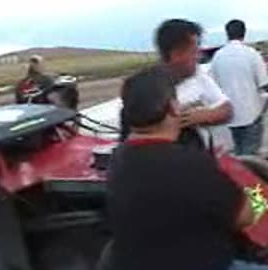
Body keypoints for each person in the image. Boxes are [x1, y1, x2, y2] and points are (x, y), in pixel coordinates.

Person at [105, 67, 258, 270]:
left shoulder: (118, 158)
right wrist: (256, 196)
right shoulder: (191, 164)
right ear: (174, 108)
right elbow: (246, 217)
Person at [120, 19, 234, 151]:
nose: (199, 56)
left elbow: (227, 109)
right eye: (194, 51)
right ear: (176, 54)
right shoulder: (144, 88)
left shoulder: (199, 77)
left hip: (198, 158)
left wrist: (201, 116)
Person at [211, 19, 268, 155]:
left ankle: (239, 174)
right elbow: (264, 83)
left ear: (227, 34)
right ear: (244, 33)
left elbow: (213, 85)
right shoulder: (252, 54)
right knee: (251, 156)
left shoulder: (218, 57)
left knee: (240, 152)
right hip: (251, 114)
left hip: (231, 116)